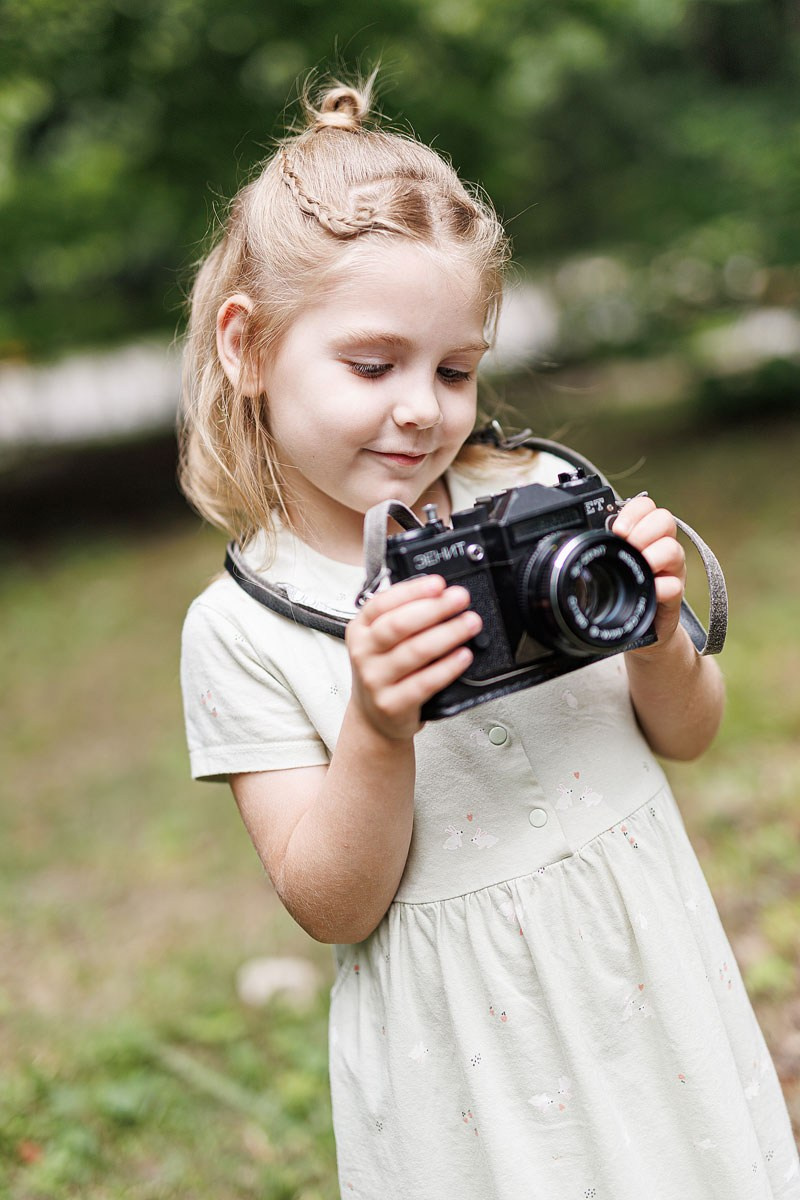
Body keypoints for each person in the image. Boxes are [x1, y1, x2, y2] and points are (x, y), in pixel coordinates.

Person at [179, 75, 799, 1198]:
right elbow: (331, 903)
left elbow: (688, 734)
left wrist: (655, 628)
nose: (421, 407)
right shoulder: (240, 628)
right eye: (373, 366)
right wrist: (375, 723)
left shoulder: (544, 498)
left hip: (639, 959)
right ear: (248, 347)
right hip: (465, 1048)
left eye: (454, 369)